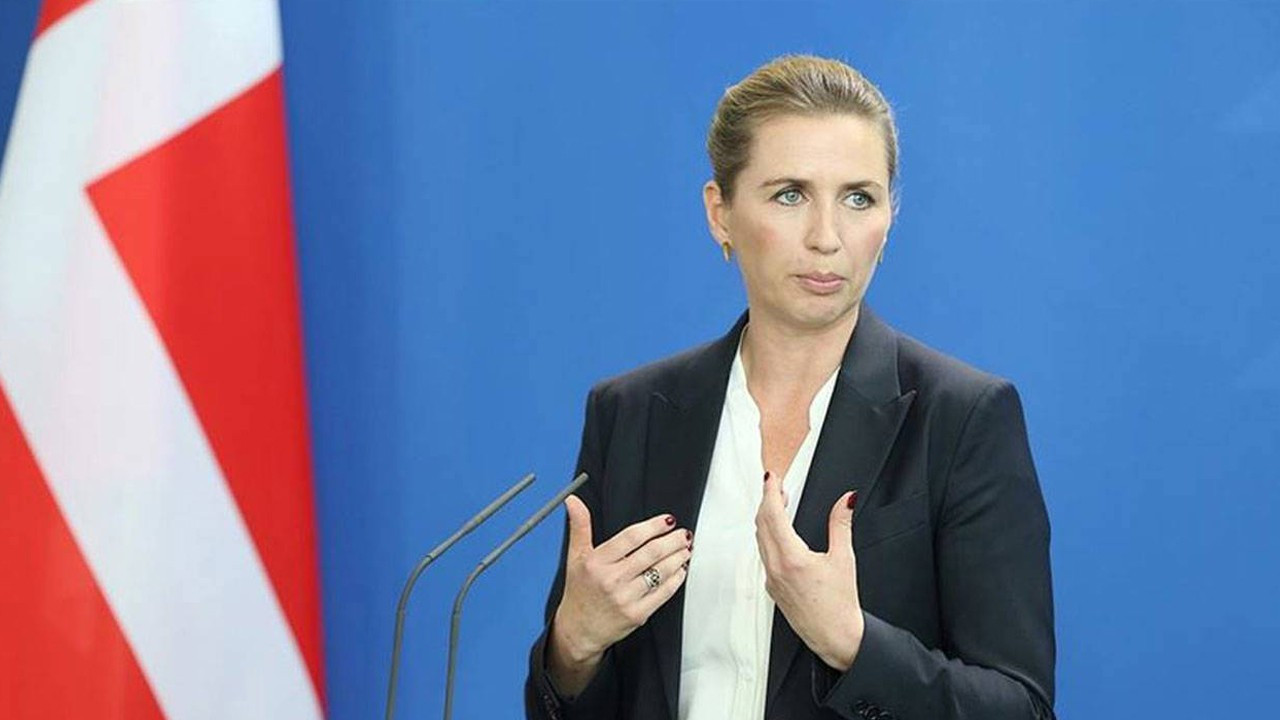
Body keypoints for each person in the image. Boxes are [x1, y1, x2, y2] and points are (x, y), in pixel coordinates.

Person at [524, 54, 1055, 720]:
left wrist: (854, 644)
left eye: (858, 198)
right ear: (720, 213)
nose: (826, 237)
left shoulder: (963, 418)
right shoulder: (631, 413)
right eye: (790, 195)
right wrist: (571, 649)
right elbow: (570, 697)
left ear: (889, 216)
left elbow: (1021, 707)